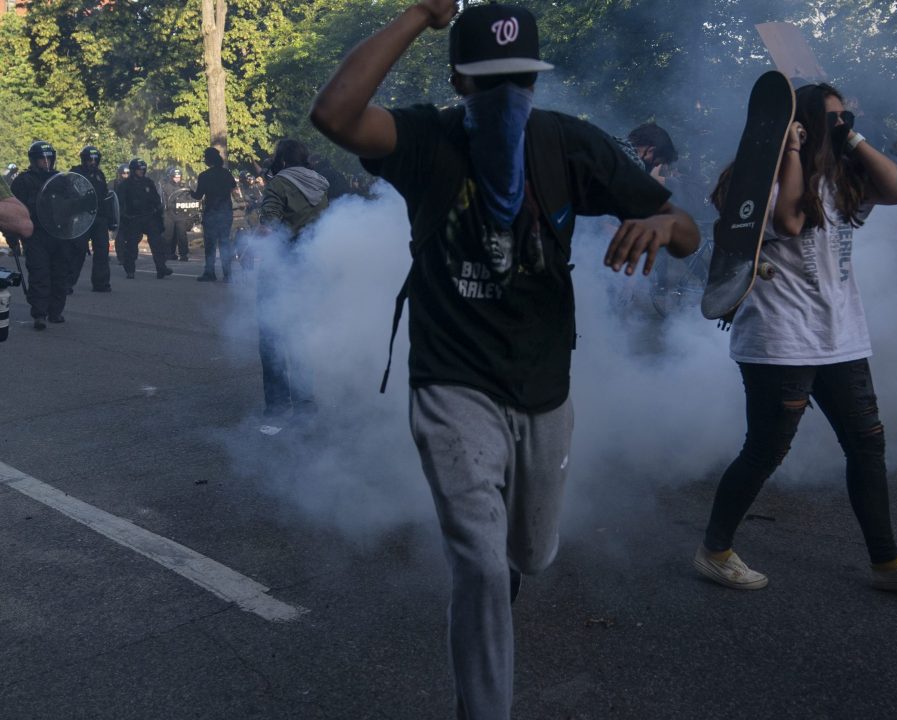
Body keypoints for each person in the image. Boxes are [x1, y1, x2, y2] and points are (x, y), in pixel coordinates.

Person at [310, 3, 699, 717]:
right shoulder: (425, 138)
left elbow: (687, 229)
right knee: (481, 567)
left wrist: (659, 222)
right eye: (491, 82)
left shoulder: (567, 144)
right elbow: (335, 114)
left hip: (542, 386)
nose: (508, 96)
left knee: (531, 554)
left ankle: (512, 571)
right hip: (452, 382)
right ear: (458, 79)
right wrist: (418, 14)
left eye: (521, 80)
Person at [692, 83, 897, 594]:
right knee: (765, 450)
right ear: (802, 123)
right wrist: (787, 150)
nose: (842, 124)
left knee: (867, 445)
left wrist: (852, 138)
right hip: (780, 339)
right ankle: (714, 551)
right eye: (832, 118)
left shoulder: (844, 180)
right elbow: (787, 220)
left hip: (841, 338)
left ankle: (887, 561)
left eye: (846, 116)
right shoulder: (756, 177)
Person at [253, 139, 330, 418]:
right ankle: (305, 403)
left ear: (282, 161)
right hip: (311, 267)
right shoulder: (320, 185)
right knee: (299, 336)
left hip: (282, 269)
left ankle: (276, 404)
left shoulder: (280, 184)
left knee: (272, 335)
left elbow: (269, 227)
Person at [9, 141, 73, 329]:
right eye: (41, 160)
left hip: (59, 234)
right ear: (33, 160)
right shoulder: (23, 181)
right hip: (35, 234)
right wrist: (13, 234)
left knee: (60, 274)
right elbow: (13, 210)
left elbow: (72, 206)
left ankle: (55, 311)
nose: (46, 163)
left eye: (48, 159)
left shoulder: (61, 180)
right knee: (39, 274)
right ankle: (39, 314)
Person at [68, 146, 114, 292]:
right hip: (81, 216)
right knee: (77, 251)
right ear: (83, 159)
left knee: (102, 251)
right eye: (89, 160)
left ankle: (101, 283)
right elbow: (70, 195)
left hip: (99, 217)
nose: (92, 163)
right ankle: (67, 283)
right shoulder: (76, 173)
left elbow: (106, 197)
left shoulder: (100, 174)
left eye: (95, 160)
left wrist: (111, 218)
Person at [116, 158, 171, 279]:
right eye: (138, 170)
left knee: (157, 242)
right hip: (133, 218)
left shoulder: (148, 182)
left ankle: (161, 268)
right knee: (131, 245)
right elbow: (120, 203)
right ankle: (130, 270)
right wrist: (124, 217)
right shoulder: (125, 185)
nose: (141, 172)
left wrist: (158, 211)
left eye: (143, 170)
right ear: (133, 170)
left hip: (149, 217)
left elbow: (156, 199)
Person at [192, 147, 237, 282]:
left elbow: (198, 195)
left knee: (210, 244)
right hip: (226, 213)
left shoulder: (204, 176)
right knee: (224, 243)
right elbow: (233, 188)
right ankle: (227, 274)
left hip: (211, 212)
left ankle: (210, 272)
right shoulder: (227, 173)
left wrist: (190, 192)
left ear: (208, 160)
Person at [156, 166, 192, 262]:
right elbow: (161, 200)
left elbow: (190, 199)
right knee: (168, 235)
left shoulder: (185, 187)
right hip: (169, 214)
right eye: (175, 177)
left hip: (181, 214)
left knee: (182, 235)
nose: (177, 178)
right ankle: (168, 254)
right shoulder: (165, 186)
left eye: (178, 177)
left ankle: (183, 255)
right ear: (170, 176)